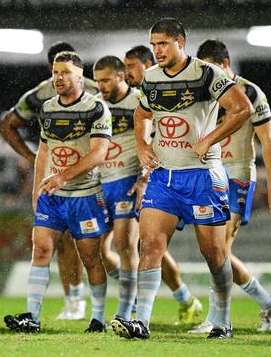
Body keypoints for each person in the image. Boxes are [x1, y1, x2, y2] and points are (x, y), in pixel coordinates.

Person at [110, 18, 253, 340]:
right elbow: (142, 113)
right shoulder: (152, 77)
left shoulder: (205, 73)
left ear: (180, 43)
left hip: (203, 176)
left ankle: (223, 320)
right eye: (153, 45)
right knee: (150, 246)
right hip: (164, 177)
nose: (157, 51)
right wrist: (144, 143)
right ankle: (141, 322)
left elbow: (241, 109)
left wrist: (210, 139)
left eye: (163, 44)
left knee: (214, 254)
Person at [4, 51, 111, 333]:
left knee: (90, 257)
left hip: (85, 195)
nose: (58, 78)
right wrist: (37, 188)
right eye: (55, 72)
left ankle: (98, 318)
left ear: (79, 76)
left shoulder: (96, 108)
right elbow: (44, 151)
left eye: (64, 72)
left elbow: (99, 154)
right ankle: (32, 317)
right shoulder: (48, 108)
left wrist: (63, 176)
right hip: (53, 196)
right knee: (41, 249)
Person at [187, 39, 271, 334]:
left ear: (226, 65)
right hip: (207, 174)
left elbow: (268, 141)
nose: (210, 75)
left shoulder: (251, 92)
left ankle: (219, 320)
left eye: (213, 68)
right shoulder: (200, 91)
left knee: (219, 248)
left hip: (238, 174)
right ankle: (267, 302)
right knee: (215, 251)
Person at [123, 45, 203, 325]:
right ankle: (180, 300)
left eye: (131, 66)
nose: (126, 73)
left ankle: (134, 307)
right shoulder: (130, 97)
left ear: (147, 65)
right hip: (120, 180)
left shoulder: (165, 93)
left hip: (157, 178)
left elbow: (162, 139)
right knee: (147, 246)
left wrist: (144, 176)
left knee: (141, 244)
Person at [92, 55, 144, 321]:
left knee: (125, 246)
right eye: (97, 80)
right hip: (101, 184)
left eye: (105, 80)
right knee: (96, 251)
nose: (100, 86)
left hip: (127, 180)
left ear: (121, 77)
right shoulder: (96, 106)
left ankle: (125, 313)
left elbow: (154, 140)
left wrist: (144, 178)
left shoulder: (138, 102)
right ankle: (133, 293)